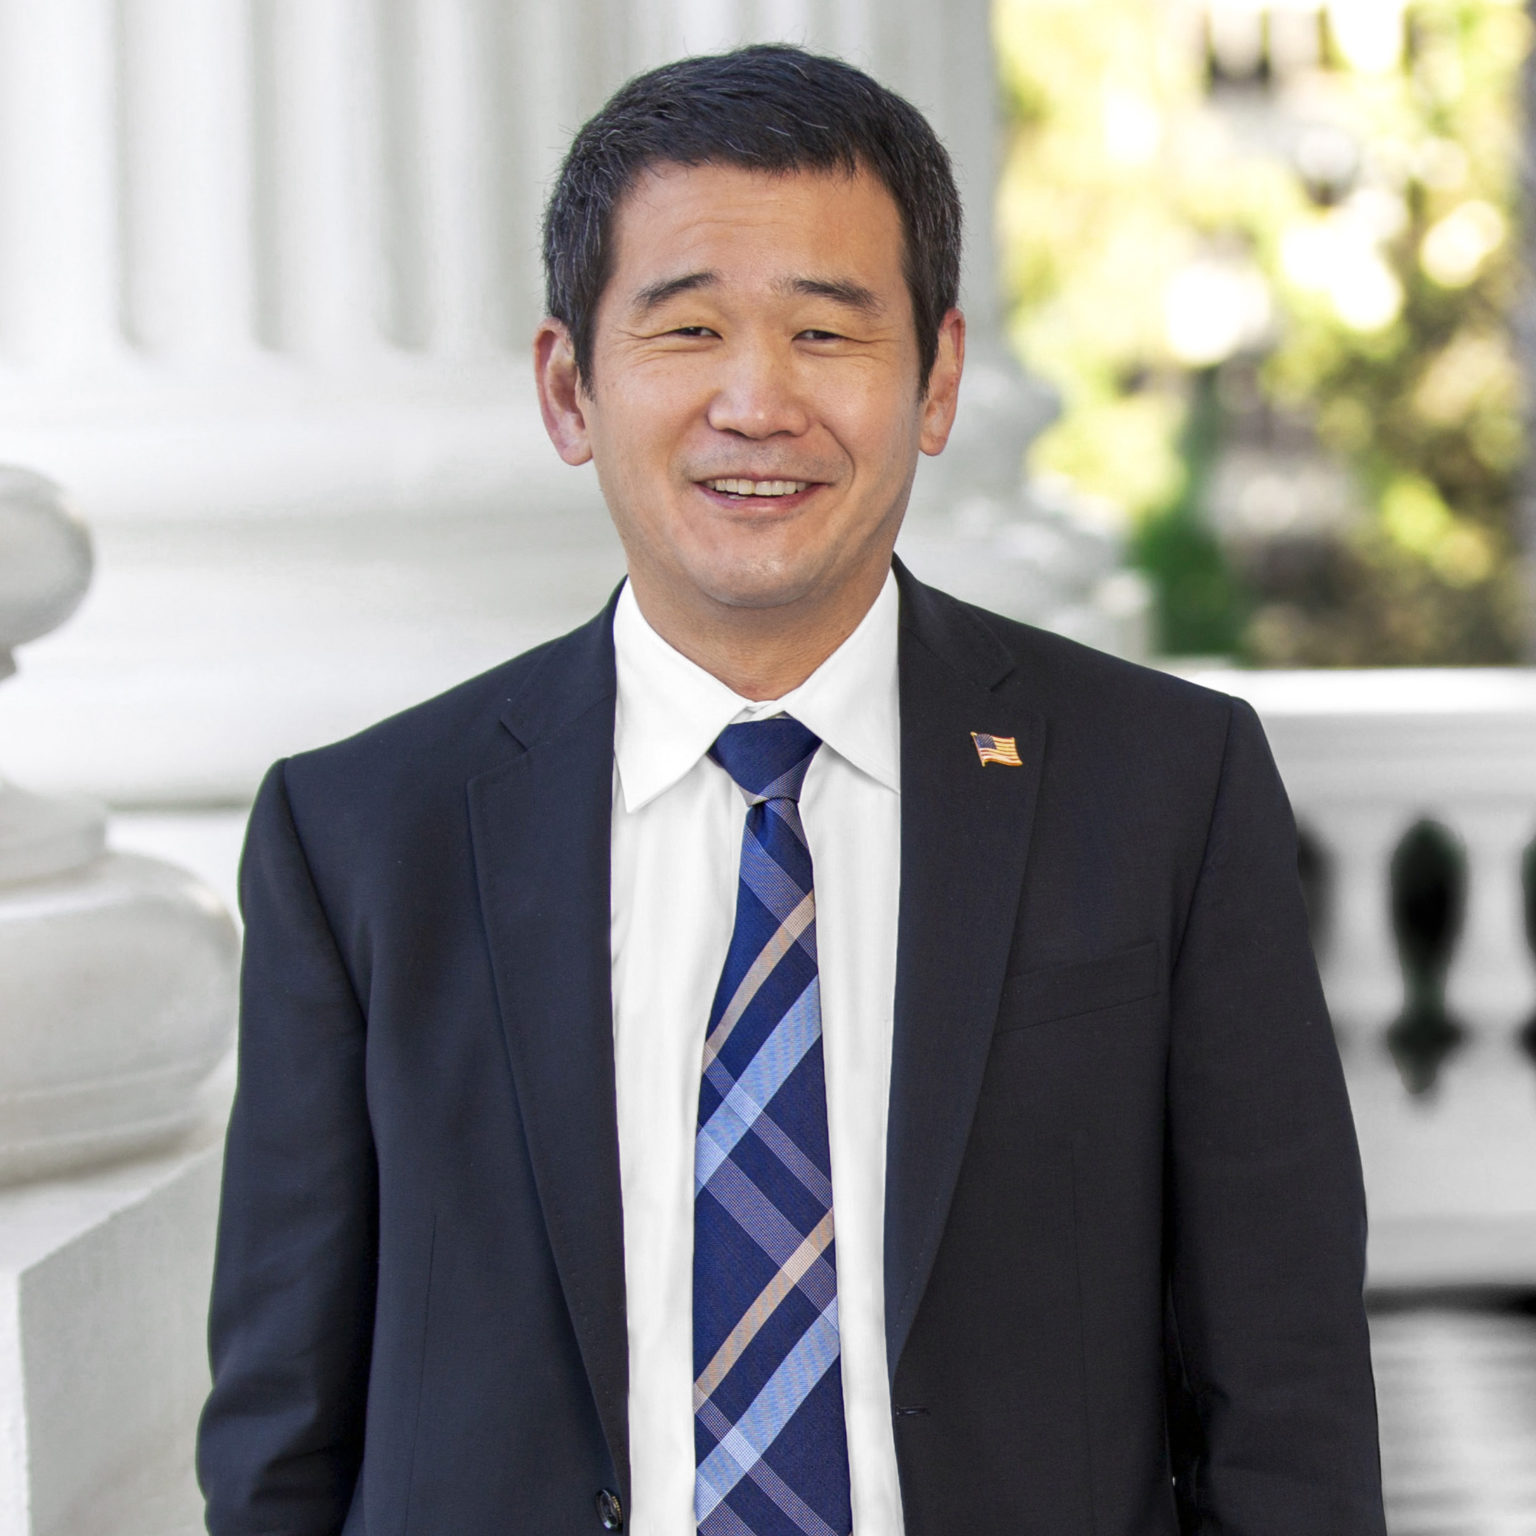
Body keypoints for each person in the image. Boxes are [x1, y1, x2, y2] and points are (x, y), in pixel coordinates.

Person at [197, 43, 1387, 1536]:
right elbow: (282, 1432)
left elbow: (1285, 1398)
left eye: (828, 335)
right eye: (687, 330)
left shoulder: (1162, 790)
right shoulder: (363, 838)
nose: (758, 403)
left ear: (937, 378)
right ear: (570, 389)